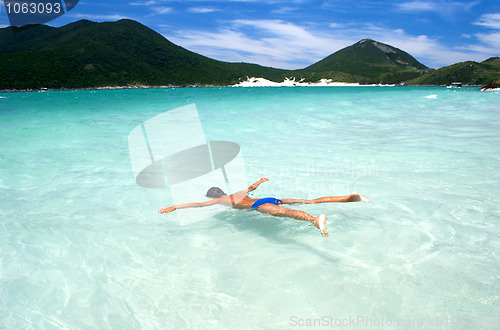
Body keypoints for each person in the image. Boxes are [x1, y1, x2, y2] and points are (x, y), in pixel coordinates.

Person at [158, 178, 371, 237]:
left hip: (260, 204)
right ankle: (349, 198)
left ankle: (315, 220)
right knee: (310, 200)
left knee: (287, 214)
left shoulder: (219, 200)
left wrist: (174, 207)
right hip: (270, 197)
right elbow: (251, 187)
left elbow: (197, 204)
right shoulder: (237, 193)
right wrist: (259, 182)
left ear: (214, 196)